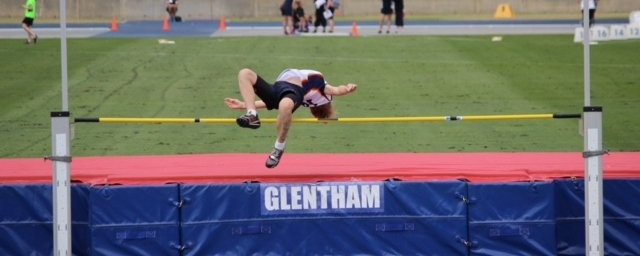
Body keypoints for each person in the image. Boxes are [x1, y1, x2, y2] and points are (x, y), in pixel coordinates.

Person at [224, 68, 358, 168]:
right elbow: (272, 103)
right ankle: (252, 114)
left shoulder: (321, 89)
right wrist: (245, 104)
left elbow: (337, 90)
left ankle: (279, 148)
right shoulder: (314, 94)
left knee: (285, 106)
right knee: (245, 73)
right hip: (278, 89)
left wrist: (347, 89)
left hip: (292, 91)